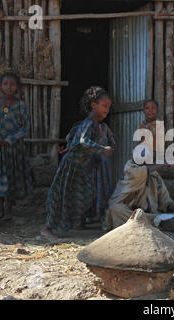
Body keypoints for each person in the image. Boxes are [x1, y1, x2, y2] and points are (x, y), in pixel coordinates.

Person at [41, 86, 114, 239]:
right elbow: (83, 141)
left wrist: (69, 147)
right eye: (104, 106)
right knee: (62, 196)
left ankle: (75, 223)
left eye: (109, 106)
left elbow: (74, 138)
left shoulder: (95, 124)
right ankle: (47, 228)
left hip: (81, 167)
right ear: (94, 105)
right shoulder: (90, 123)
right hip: (72, 166)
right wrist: (101, 148)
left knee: (86, 194)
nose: (107, 109)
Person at [0, 72, 33, 229]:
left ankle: (9, 209)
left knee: (12, 177)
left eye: (12, 84)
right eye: (5, 83)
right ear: (0, 86)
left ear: (17, 87)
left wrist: (10, 139)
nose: (9, 87)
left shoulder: (21, 105)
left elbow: (25, 126)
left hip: (14, 149)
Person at [105, 145, 174, 231]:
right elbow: (141, 172)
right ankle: (157, 222)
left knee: (173, 216)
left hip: (148, 213)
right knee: (115, 209)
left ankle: (158, 221)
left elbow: (164, 198)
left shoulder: (154, 175)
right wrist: (164, 164)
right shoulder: (130, 168)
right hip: (130, 212)